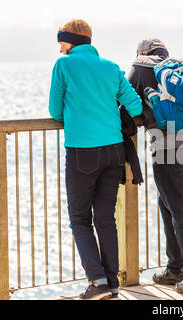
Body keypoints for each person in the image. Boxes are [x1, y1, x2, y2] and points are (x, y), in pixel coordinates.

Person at [48, 19, 142, 299]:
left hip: (82, 152)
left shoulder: (63, 65)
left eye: (61, 40)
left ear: (71, 41)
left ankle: (97, 281)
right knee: (105, 218)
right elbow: (135, 104)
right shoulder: (111, 67)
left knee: (79, 218)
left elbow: (55, 111)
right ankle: (112, 283)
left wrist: (77, 113)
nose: (59, 45)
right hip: (114, 149)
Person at [126, 38, 183, 297]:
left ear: (142, 52)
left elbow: (122, 100)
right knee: (169, 203)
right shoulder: (180, 68)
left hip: (169, 146)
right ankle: (175, 268)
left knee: (181, 207)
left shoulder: (140, 67)